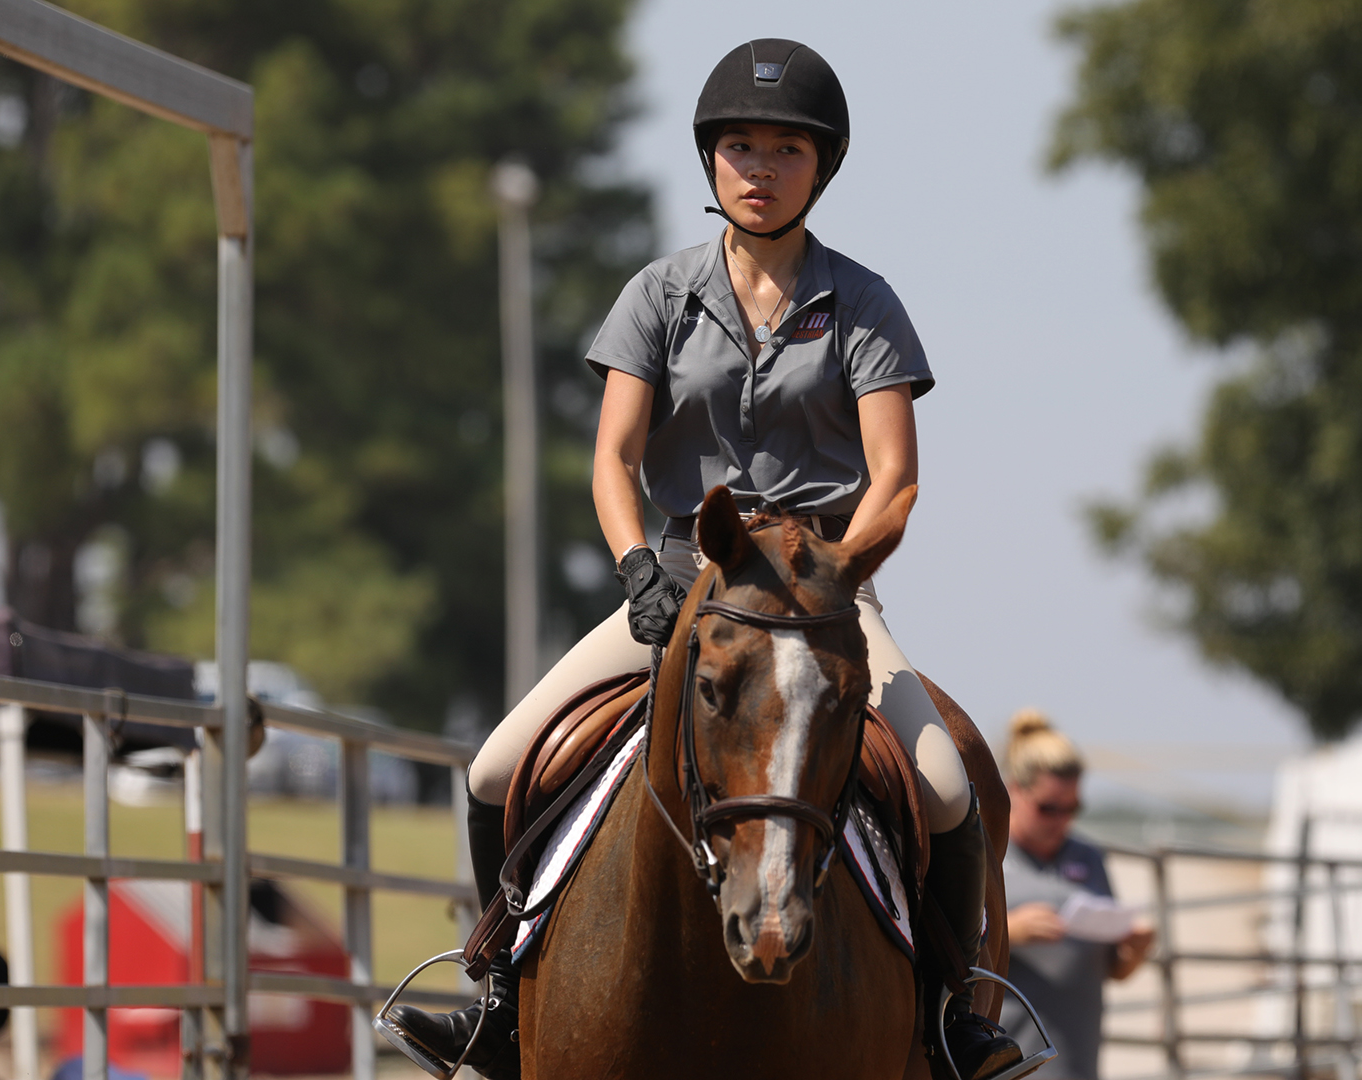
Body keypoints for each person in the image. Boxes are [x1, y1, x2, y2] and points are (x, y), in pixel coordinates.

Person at [380, 37, 1024, 1080]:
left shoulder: (863, 305)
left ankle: (953, 1021)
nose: (760, 168)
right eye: (739, 147)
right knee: (498, 762)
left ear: (823, 165)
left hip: (820, 597)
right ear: (711, 161)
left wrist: (834, 577)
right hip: (684, 586)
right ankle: (496, 996)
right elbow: (616, 457)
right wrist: (638, 566)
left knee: (945, 782)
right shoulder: (660, 294)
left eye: (784, 149)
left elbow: (895, 482)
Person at [1000, 710, 1157, 1080]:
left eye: (1072, 809)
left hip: (1077, 1063)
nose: (1062, 821)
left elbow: (1114, 969)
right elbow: (939, 948)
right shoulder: (986, 854)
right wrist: (1009, 933)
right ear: (1013, 790)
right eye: (1048, 808)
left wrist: (1135, 949)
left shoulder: (1088, 857)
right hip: (1004, 1062)